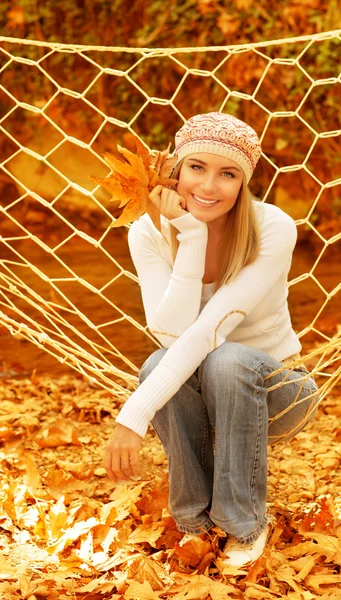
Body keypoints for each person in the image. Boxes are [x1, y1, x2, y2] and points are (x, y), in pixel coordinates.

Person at [103, 112, 319, 567]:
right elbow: (171, 332)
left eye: (228, 174)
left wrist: (134, 412)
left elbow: (210, 330)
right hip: (203, 398)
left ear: (244, 183)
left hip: (279, 390)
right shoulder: (147, 233)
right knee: (155, 364)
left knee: (227, 359)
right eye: (196, 168)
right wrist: (192, 235)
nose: (208, 185)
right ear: (175, 170)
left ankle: (244, 522)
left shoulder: (273, 228)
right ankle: (194, 523)